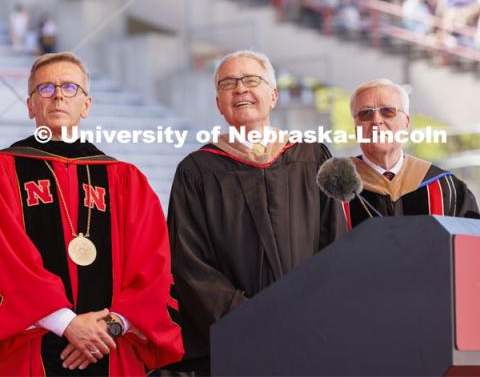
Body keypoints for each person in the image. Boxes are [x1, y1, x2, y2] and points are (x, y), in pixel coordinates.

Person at [0, 52, 183, 375]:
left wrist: (109, 327)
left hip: (111, 348)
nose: (57, 95)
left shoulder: (125, 178)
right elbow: (7, 261)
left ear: (85, 104)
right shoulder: (4, 171)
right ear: (30, 105)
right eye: (45, 88)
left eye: (69, 87)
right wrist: (67, 323)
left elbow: (153, 264)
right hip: (30, 349)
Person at [165, 50, 347, 375]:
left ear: (273, 95)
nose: (240, 89)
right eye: (228, 83)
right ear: (219, 103)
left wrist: (309, 311)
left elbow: (335, 243)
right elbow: (189, 262)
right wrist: (250, 315)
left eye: (251, 80)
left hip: (310, 332)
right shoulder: (197, 171)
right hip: (237, 337)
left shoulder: (312, 158)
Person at [345, 78, 479, 228]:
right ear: (356, 127)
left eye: (388, 111)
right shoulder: (335, 191)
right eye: (365, 113)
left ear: (406, 122)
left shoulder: (448, 188)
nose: (376, 120)